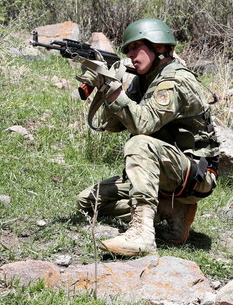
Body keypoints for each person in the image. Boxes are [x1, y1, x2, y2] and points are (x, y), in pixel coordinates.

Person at [75, 18, 220, 256]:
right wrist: (107, 85)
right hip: (163, 170)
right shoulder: (144, 79)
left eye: (136, 47)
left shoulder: (175, 80)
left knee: (139, 143)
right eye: (127, 50)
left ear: (159, 47)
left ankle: (142, 234)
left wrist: (115, 92)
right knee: (88, 202)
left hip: (195, 172)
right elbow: (112, 126)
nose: (130, 55)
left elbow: (142, 125)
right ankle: (171, 212)